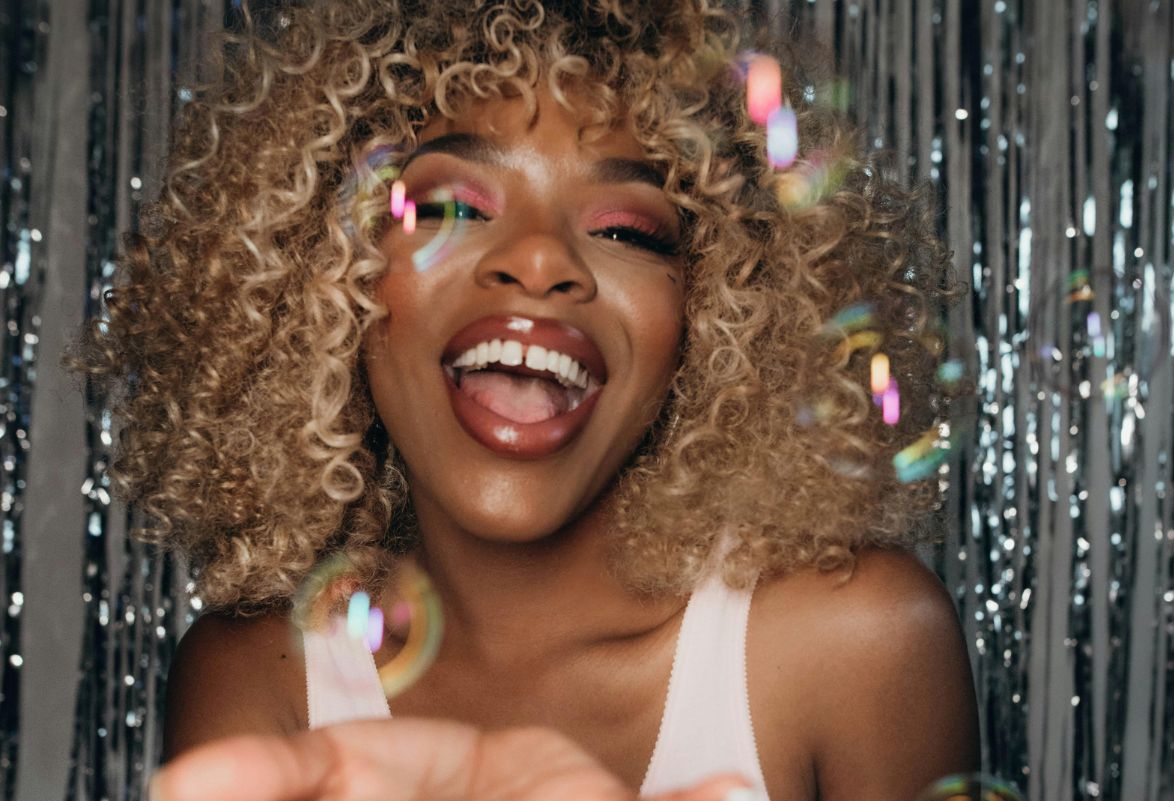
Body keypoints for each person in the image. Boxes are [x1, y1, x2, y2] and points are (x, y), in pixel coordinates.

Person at [76, 1, 980, 800]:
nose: (539, 260)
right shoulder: (260, 677)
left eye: (627, 228)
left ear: (715, 315)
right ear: (317, 276)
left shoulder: (854, 641)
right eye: (452, 208)